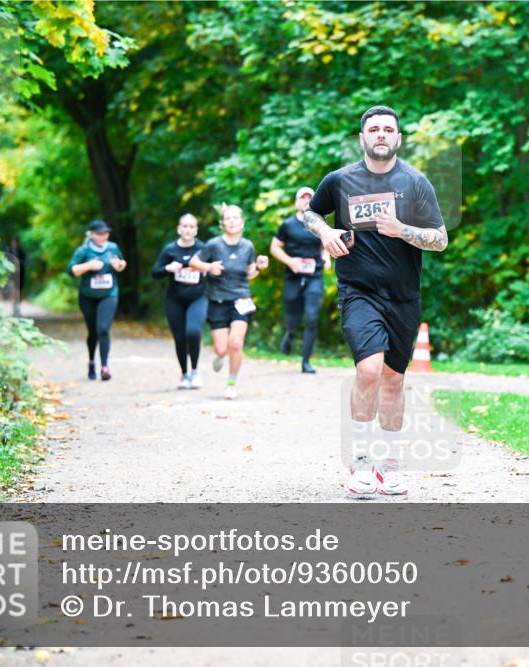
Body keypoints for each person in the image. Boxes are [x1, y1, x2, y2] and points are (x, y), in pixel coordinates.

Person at [302, 105, 448, 498]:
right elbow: (310, 214)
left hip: (403, 295)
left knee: (394, 378)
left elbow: (441, 239)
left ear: (398, 138)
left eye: (388, 129)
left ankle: (391, 466)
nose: (381, 134)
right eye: (374, 129)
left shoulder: (416, 183)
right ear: (363, 137)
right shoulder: (340, 180)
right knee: (368, 370)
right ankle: (362, 465)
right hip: (358, 291)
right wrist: (325, 233)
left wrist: (403, 230)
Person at [189, 204, 269, 399]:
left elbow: (249, 274)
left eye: (235, 218)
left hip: (241, 299)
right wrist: (208, 266)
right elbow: (193, 262)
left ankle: (231, 383)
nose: (232, 221)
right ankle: (219, 356)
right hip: (217, 300)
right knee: (222, 348)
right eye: (228, 218)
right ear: (222, 223)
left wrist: (259, 267)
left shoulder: (247, 246)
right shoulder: (214, 245)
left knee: (236, 343)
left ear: (242, 223)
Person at [270, 186, 331, 374]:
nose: (306, 201)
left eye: (309, 198)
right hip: (293, 277)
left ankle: (306, 362)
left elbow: (326, 245)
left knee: (312, 317)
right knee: (292, 316)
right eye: (302, 198)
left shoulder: (320, 224)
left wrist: (327, 256)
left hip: (315, 275)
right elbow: (275, 247)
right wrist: (290, 261)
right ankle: (289, 333)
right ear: (297, 202)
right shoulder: (287, 225)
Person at [151, 214, 208, 389]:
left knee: (193, 331)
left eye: (191, 226)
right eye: (185, 226)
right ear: (179, 229)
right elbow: (155, 272)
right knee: (180, 337)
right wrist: (168, 268)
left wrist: (207, 270)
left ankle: (196, 371)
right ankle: (184, 374)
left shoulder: (203, 248)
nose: (188, 230)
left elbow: (216, 268)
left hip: (198, 297)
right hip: (174, 299)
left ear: (196, 230)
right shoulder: (170, 250)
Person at [67, 220, 127, 381]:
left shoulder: (113, 247)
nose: (103, 236)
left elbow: (122, 263)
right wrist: (88, 266)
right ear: (92, 234)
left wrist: (119, 265)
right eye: (99, 233)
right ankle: (92, 362)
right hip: (87, 297)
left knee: (103, 329)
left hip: (109, 294)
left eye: (105, 233)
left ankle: (105, 367)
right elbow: (71, 270)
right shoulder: (84, 250)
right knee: (93, 332)